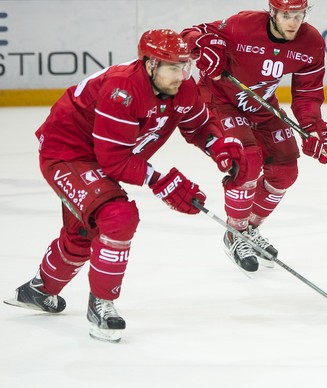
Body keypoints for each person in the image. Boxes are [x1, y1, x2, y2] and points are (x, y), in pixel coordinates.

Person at [3, 29, 248, 342]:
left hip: (100, 154)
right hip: (66, 151)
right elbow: (114, 160)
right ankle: (101, 304)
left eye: (185, 66)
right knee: (117, 216)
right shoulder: (123, 90)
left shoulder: (182, 87)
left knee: (84, 232)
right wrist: (161, 181)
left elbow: (199, 125)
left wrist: (220, 147)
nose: (182, 75)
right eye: (173, 67)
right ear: (149, 64)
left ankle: (39, 290)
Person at [180, 0, 327, 273]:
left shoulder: (311, 43)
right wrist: (203, 48)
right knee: (247, 160)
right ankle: (235, 233)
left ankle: (249, 229)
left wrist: (312, 127)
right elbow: (191, 34)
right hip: (220, 100)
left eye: (299, 15)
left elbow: (307, 94)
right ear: (273, 11)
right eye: (286, 15)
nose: (293, 22)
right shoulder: (242, 25)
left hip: (262, 106)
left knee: (285, 172)